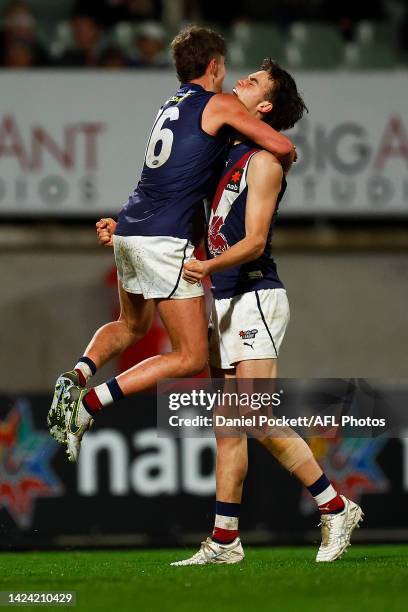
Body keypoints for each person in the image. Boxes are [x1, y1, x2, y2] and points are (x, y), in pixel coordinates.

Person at [47, 25, 295, 463]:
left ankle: (78, 374)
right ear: (215, 65)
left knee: (130, 325)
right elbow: (283, 146)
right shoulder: (218, 104)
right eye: (231, 70)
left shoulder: (172, 104)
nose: (237, 79)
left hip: (131, 227)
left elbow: (175, 180)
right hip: (163, 239)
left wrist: (121, 225)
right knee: (189, 358)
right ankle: (89, 404)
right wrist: (283, 156)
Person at [169, 59, 363, 565]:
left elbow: (254, 242)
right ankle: (225, 542)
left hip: (255, 293)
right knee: (228, 425)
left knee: (255, 416)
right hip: (228, 298)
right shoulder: (227, 152)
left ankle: (336, 505)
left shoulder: (264, 160)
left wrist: (205, 265)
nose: (242, 81)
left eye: (253, 82)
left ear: (266, 106)